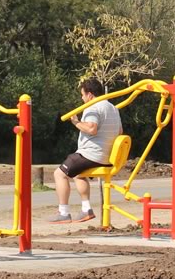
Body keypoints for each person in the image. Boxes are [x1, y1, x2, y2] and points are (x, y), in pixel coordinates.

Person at [47, 78, 123, 223]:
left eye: (82, 95)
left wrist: (76, 122)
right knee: (78, 175)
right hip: (108, 157)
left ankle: (63, 213)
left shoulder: (93, 107)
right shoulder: (113, 109)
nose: (82, 99)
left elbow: (91, 128)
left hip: (91, 154)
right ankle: (86, 209)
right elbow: (120, 131)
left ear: (90, 94)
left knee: (59, 174)